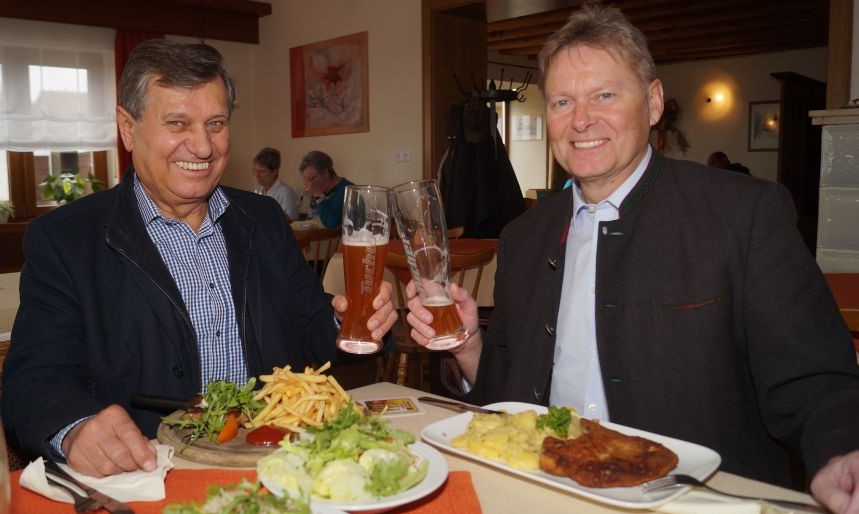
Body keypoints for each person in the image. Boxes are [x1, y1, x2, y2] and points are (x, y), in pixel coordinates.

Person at [405, 7, 859, 513]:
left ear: (653, 102)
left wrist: (844, 450)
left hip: (694, 500)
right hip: (542, 491)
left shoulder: (744, 213)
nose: (581, 120)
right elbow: (505, 400)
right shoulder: (523, 237)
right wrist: (470, 347)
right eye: (562, 101)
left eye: (604, 95)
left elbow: (816, 380)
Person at [0, 40, 396, 478]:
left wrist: (353, 322)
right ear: (127, 128)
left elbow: (311, 328)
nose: (203, 147)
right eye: (177, 123)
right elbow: (33, 381)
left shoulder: (262, 219)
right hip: (150, 476)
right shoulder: (65, 239)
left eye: (215, 123)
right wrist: (75, 429)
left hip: (276, 465)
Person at [298, 150, 352, 229]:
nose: (308, 184)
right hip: (314, 238)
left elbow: (332, 223)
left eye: (311, 178)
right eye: (305, 179)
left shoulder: (348, 191)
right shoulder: (318, 188)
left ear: (325, 173)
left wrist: (318, 195)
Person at [253, 147, 299, 220]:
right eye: (255, 171)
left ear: (274, 171)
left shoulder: (285, 192)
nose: (257, 175)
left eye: (262, 171)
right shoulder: (258, 190)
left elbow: (291, 219)